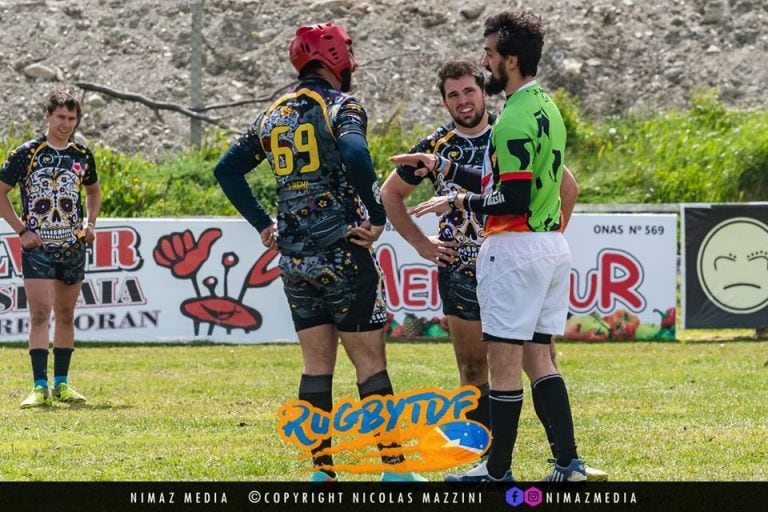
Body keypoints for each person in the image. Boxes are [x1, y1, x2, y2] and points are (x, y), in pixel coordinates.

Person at [214, 22, 425, 483]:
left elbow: (227, 170)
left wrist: (264, 225)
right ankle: (393, 470)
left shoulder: (272, 114)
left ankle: (323, 473)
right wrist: (376, 215)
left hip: (293, 258)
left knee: (315, 367)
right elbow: (355, 154)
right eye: (348, 50)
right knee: (369, 363)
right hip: (343, 250)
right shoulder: (340, 106)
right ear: (334, 57)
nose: (352, 58)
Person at [391, 10, 593, 482]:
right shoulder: (546, 106)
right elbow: (517, 180)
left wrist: (460, 199)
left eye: (489, 55)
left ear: (511, 59)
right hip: (549, 246)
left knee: (503, 367)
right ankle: (569, 464)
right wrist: (440, 166)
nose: (485, 63)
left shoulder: (510, 121)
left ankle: (496, 472)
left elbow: (511, 198)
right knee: (540, 359)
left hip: (514, 249)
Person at [0, 89, 101, 408]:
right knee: (40, 313)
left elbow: (94, 191)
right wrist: (22, 230)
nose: (66, 124)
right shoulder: (26, 153)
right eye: (60, 117)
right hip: (38, 247)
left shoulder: (82, 155)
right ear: (47, 116)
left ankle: (62, 384)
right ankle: (39, 386)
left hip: (72, 246)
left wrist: (91, 222)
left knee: (67, 314)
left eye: (72, 118)